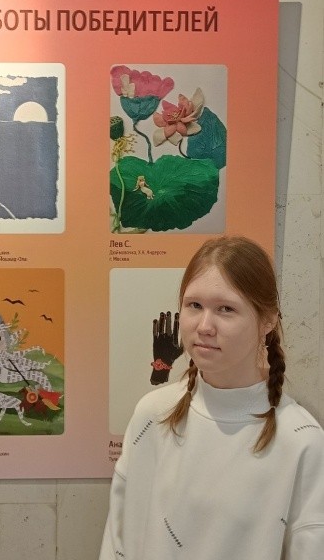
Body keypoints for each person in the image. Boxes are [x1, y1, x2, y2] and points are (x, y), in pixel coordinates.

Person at [99, 235, 324, 560]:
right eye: (194, 305)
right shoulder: (153, 414)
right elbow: (117, 542)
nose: (205, 326)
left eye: (226, 309)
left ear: (268, 320)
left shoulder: (301, 440)